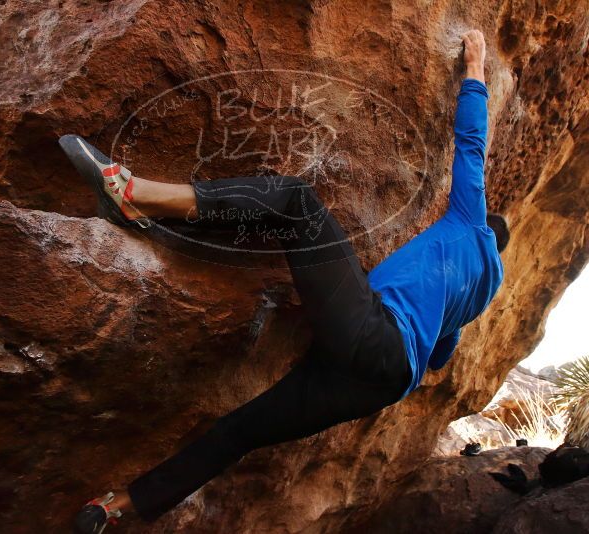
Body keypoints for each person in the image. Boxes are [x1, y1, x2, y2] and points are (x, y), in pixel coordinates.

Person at [66, 29, 506, 534]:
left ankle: (135, 196)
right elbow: (440, 356)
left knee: (297, 202)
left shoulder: (472, 225)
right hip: (376, 385)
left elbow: (471, 146)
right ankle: (114, 508)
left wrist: (474, 67)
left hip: (372, 333)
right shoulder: (480, 295)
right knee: (239, 433)